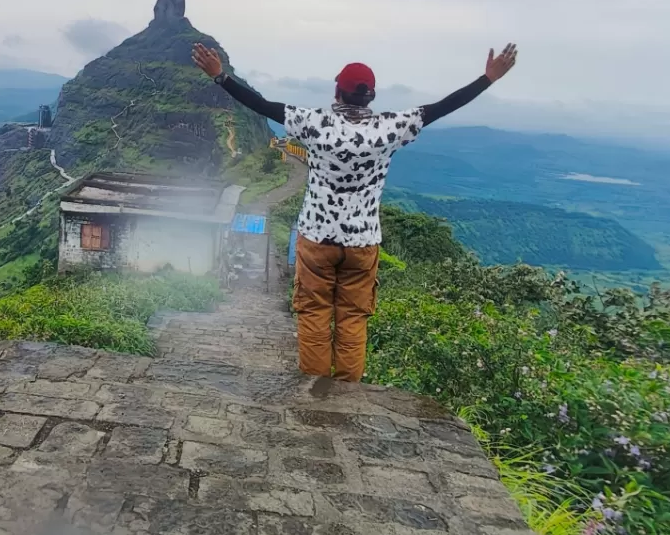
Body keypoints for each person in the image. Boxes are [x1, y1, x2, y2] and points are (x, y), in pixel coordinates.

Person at [191, 41, 518, 386]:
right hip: (362, 243)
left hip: (317, 238)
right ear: (370, 97)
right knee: (353, 318)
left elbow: (261, 105)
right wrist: (488, 79)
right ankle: (348, 397)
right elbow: (441, 108)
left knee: (314, 313)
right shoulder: (389, 129)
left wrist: (220, 77)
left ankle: (313, 390)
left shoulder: (314, 124)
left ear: (338, 92)